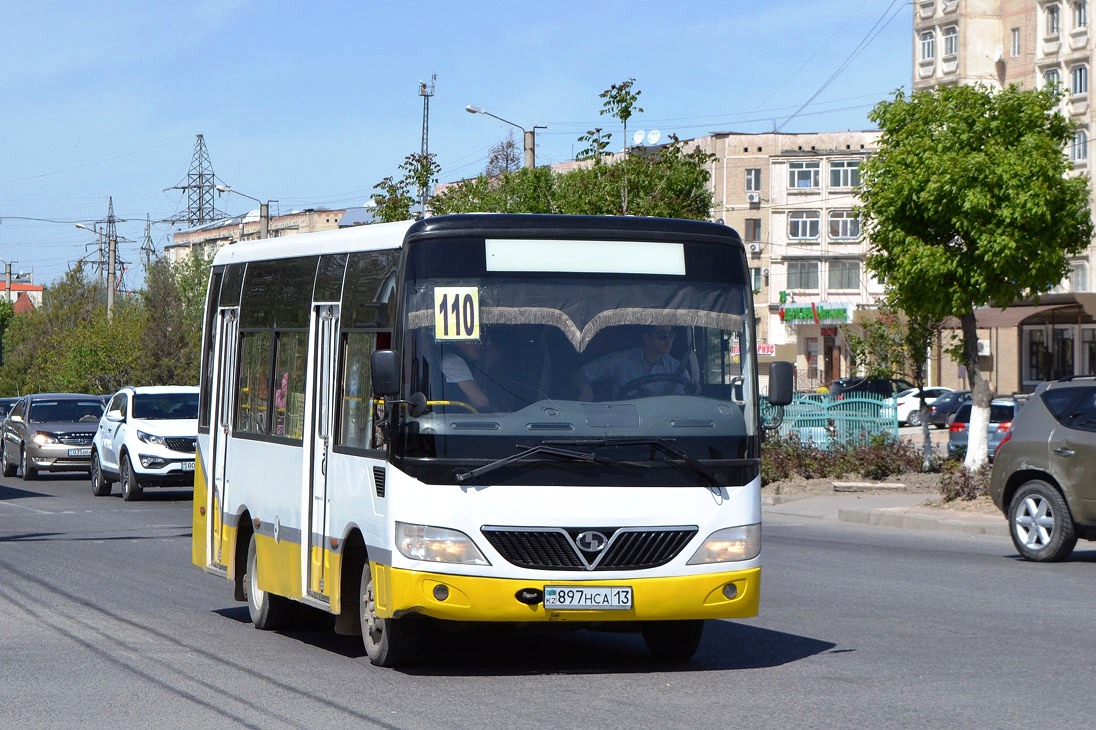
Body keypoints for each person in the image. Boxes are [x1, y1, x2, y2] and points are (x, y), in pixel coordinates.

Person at [577, 325, 696, 400]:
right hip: (624, 427)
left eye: (671, 335)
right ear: (647, 338)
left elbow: (685, 402)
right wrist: (585, 389)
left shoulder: (677, 368)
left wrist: (694, 391)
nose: (668, 339)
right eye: (662, 335)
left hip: (661, 430)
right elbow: (580, 374)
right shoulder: (621, 360)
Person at [441, 338, 499, 410]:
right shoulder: (452, 361)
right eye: (471, 340)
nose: (479, 344)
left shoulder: (464, 361)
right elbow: (481, 402)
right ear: (456, 341)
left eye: (481, 339)